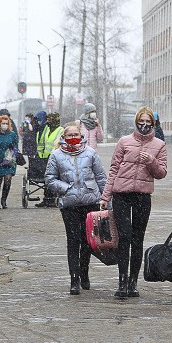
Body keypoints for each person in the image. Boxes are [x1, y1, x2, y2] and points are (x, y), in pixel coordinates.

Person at [99, 107, 167, 298]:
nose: (144, 125)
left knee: (138, 239)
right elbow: (113, 170)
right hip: (122, 195)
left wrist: (151, 161)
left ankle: (133, 283)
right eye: (141, 122)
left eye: (148, 122)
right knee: (124, 237)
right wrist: (106, 197)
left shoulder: (159, 145)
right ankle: (122, 281)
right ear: (136, 122)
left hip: (143, 197)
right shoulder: (124, 142)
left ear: (152, 124)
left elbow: (161, 173)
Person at [46, 122, 106, 295]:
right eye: (69, 135)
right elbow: (50, 179)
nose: (73, 138)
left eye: (76, 135)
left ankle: (84, 272)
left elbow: (101, 177)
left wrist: (106, 199)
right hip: (69, 204)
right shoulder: (56, 156)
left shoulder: (91, 153)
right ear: (64, 137)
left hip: (90, 202)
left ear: (81, 136)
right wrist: (66, 188)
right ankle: (74, 279)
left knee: (88, 241)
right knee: (73, 241)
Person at [35, 112, 63, 207]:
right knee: (46, 179)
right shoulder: (47, 129)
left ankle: (52, 199)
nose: (47, 121)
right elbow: (42, 142)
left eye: (49, 119)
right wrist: (40, 154)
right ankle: (46, 199)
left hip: (55, 159)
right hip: (45, 159)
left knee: (52, 179)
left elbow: (59, 144)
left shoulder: (61, 130)